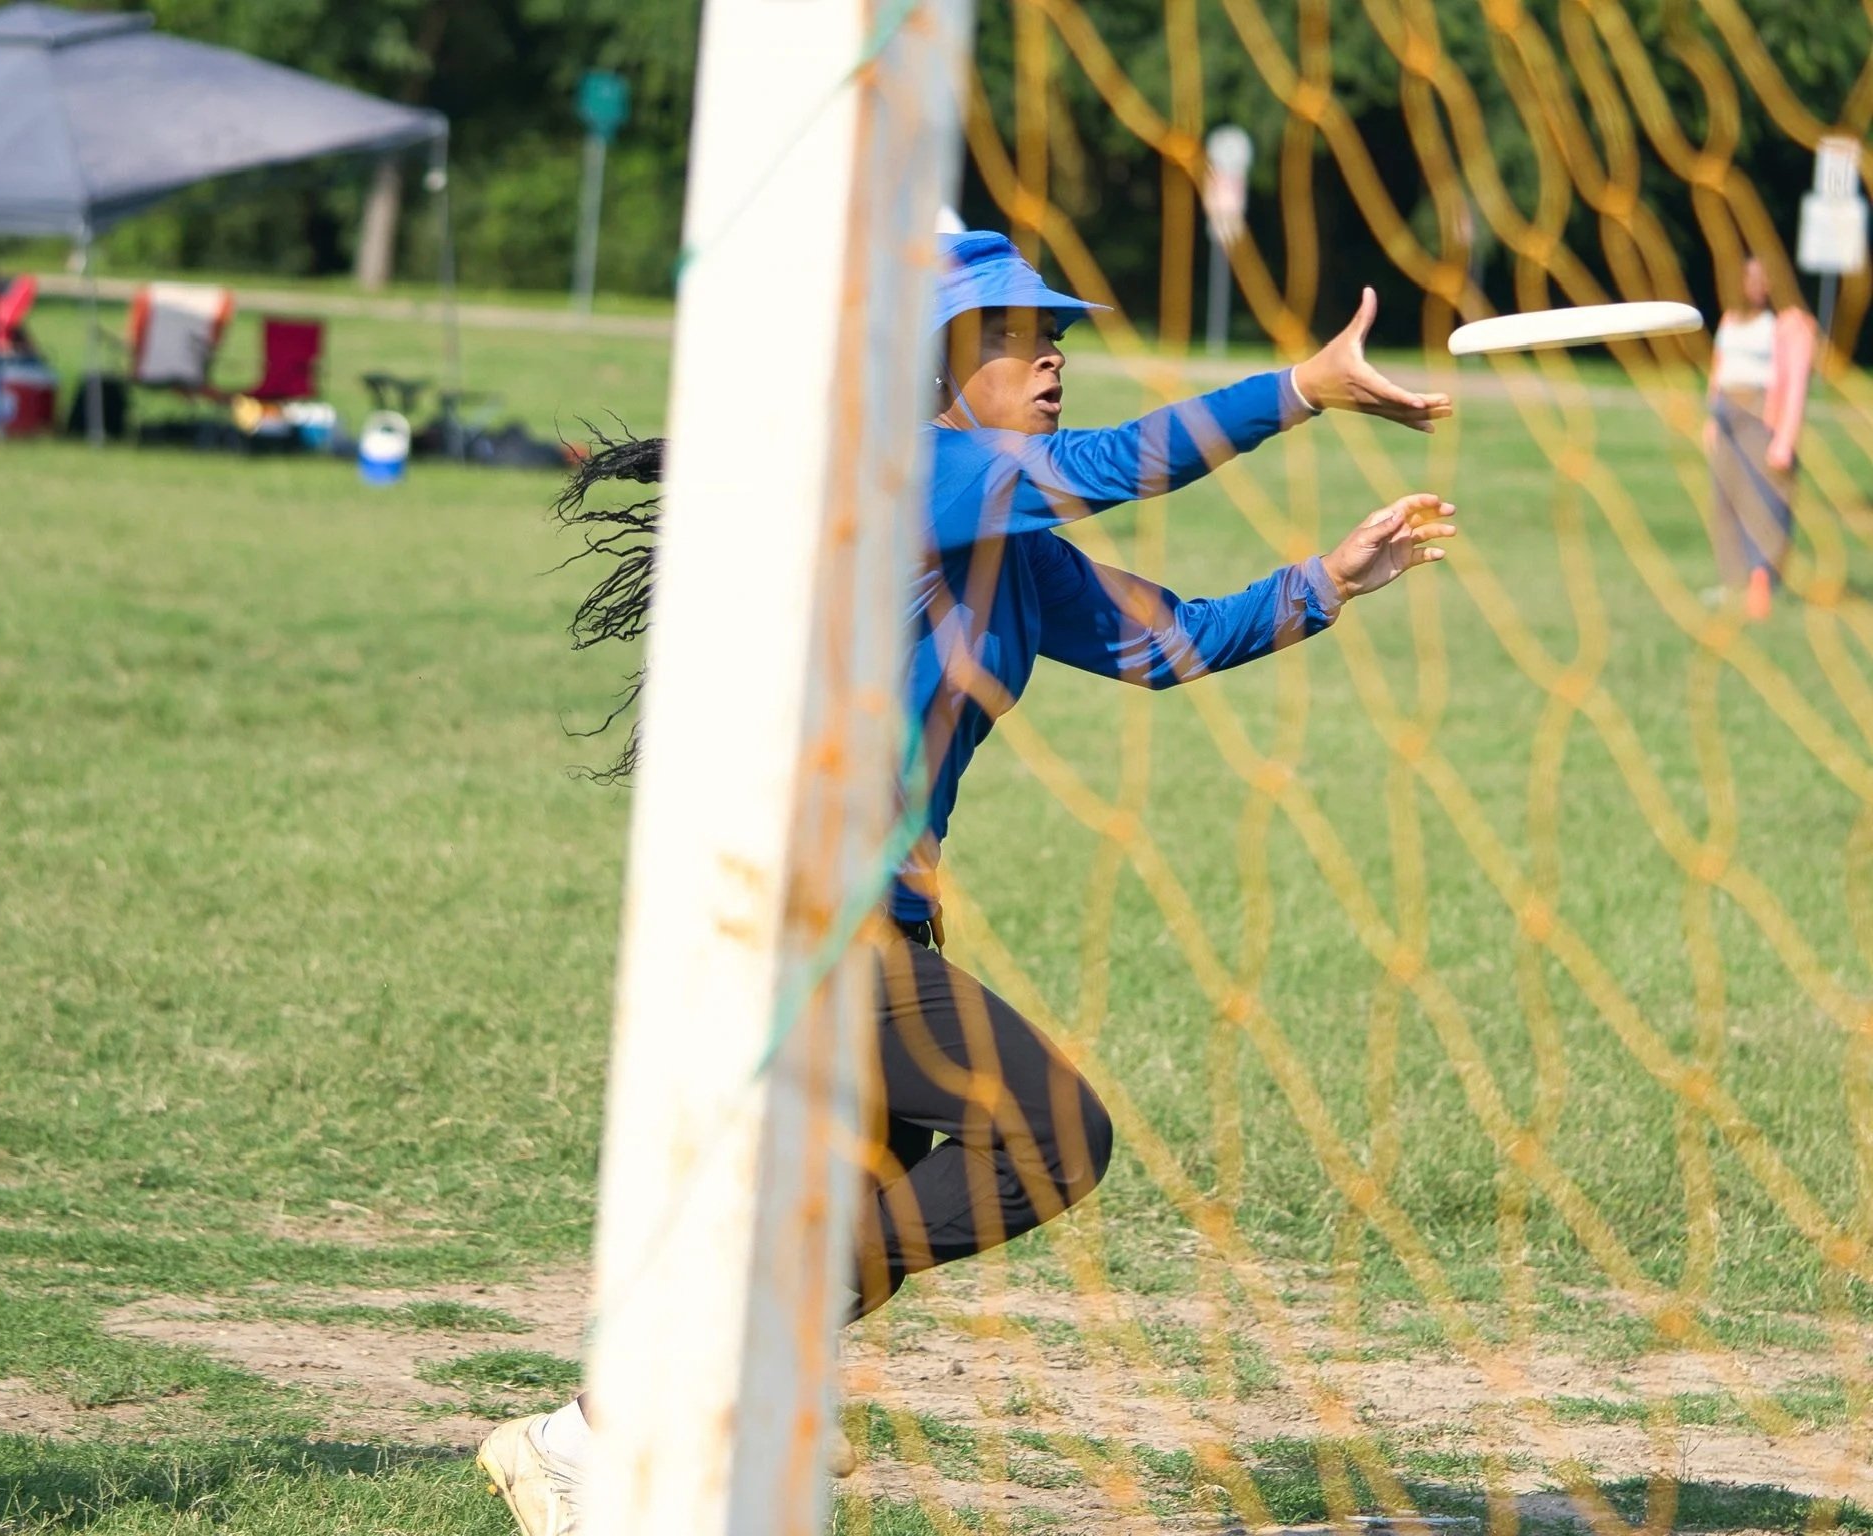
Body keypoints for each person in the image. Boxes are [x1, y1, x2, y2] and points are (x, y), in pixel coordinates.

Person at [477, 231, 1456, 1535]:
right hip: (801, 915)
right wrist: (1305, 388)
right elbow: (1110, 468)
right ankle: (643, 1425)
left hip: (871, 924)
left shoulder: (1003, 536)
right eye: (1010, 333)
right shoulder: (914, 472)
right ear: (935, 362)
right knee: (1047, 1135)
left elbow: (1167, 644)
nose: (1049, 353)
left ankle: (624, 1435)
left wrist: (1329, 581)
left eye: (1054, 330)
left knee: (861, 1199)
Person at [1703, 254, 1815, 621]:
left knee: (1765, 502)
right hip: (1726, 417)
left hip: (1759, 418)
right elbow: (1718, 369)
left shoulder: (1790, 324)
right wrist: (1711, 419)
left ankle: (1762, 582)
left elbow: (1796, 385)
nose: (1754, 284)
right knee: (1727, 499)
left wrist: (1785, 438)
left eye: (1762, 277)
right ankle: (1733, 580)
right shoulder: (1731, 318)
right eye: (1748, 276)